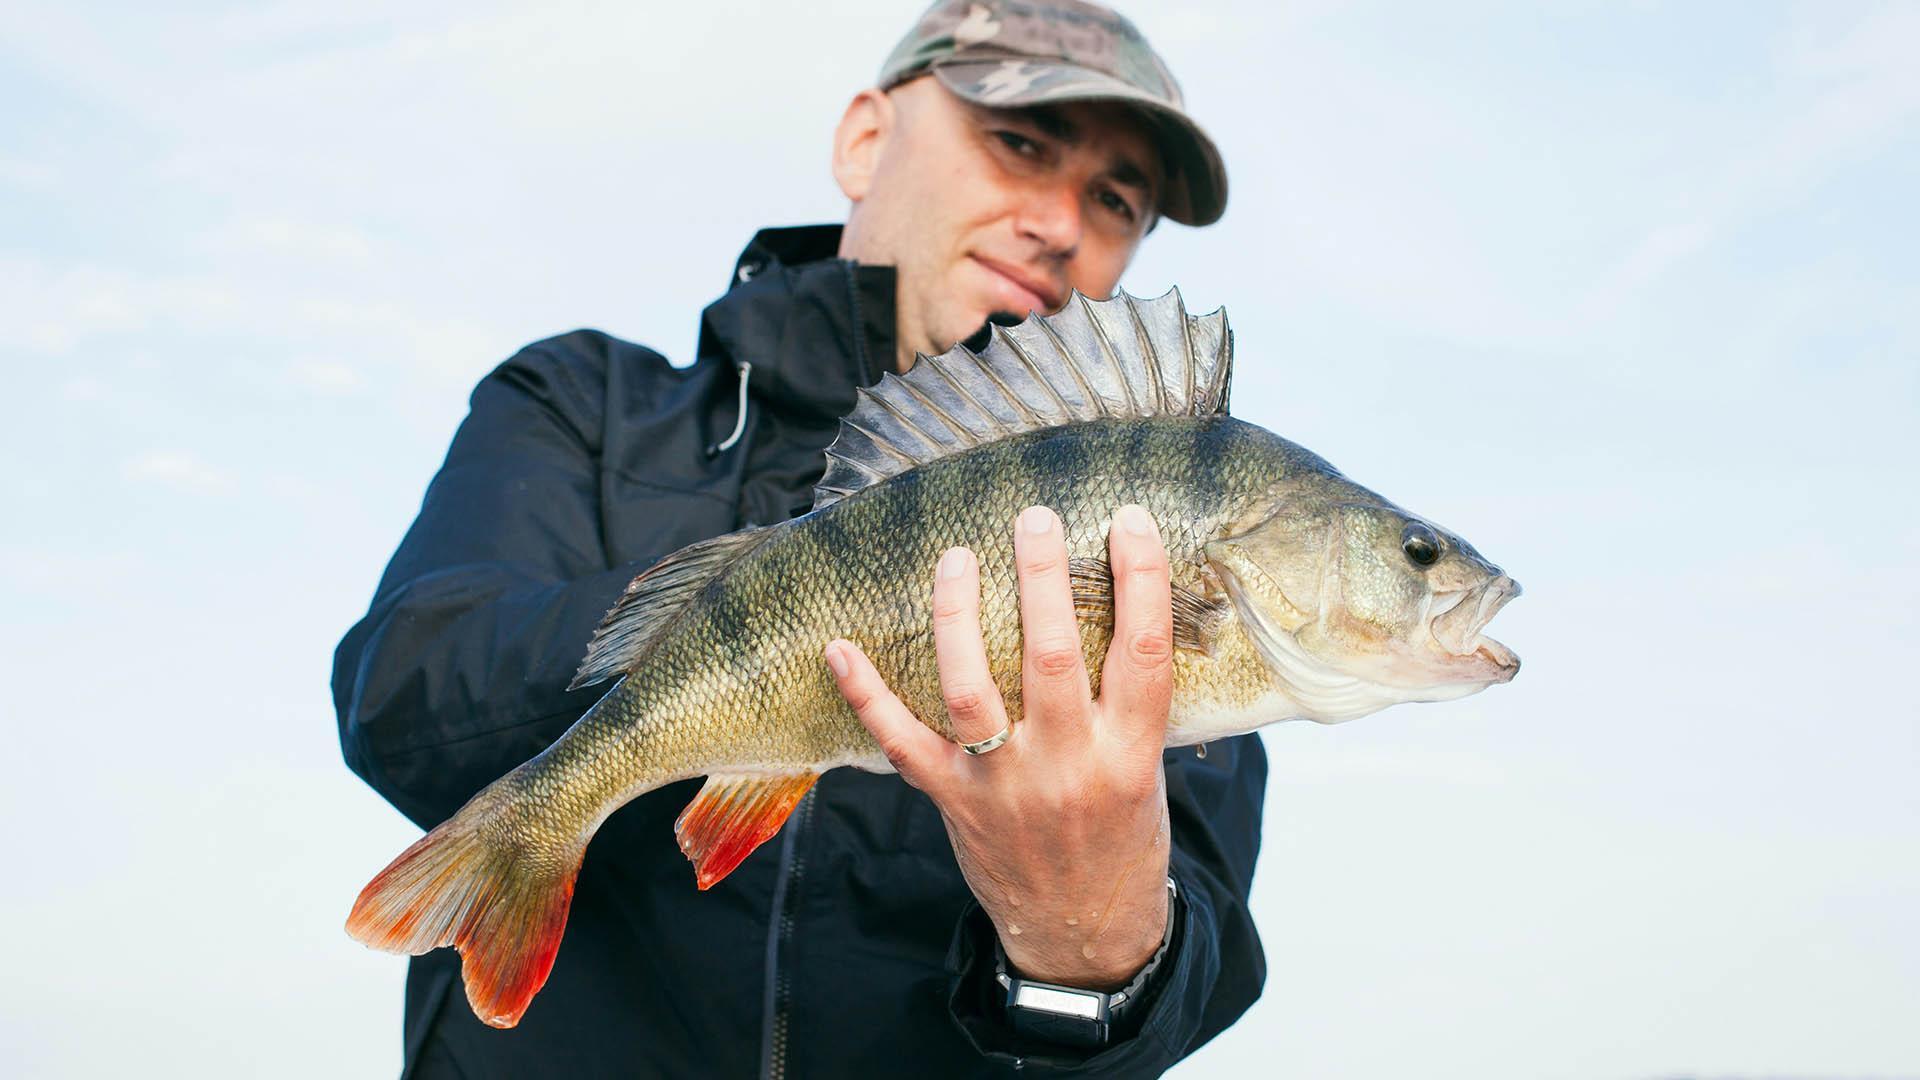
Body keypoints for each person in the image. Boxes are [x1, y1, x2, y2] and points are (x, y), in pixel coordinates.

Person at [333, 2, 1266, 1076]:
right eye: (1021, 142)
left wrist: (1091, 952)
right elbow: (400, 694)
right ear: (865, 142)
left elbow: (1192, 961)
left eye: (1116, 199)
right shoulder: (582, 404)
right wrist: (768, 620)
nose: (1060, 220)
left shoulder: (1144, 538)